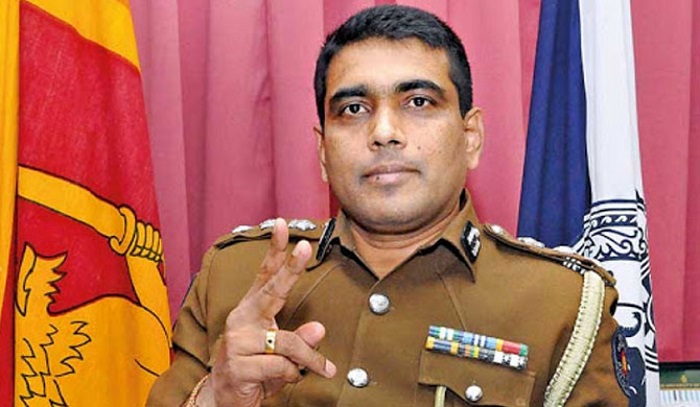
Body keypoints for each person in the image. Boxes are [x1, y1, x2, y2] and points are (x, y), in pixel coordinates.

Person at [148, 5, 630, 406]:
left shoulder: (563, 304)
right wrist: (216, 397)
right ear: (322, 152)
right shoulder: (233, 278)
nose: (383, 132)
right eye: (353, 109)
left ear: (470, 137)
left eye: (418, 102)